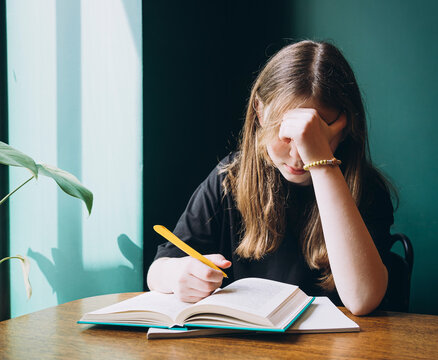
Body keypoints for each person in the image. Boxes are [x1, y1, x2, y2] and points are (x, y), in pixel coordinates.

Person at [147, 40, 395, 315]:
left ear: (345, 126)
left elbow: (363, 299)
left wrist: (322, 163)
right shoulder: (230, 177)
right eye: (286, 134)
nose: (299, 156)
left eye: (316, 136)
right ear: (260, 111)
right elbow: (158, 269)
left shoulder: (366, 189)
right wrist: (178, 274)